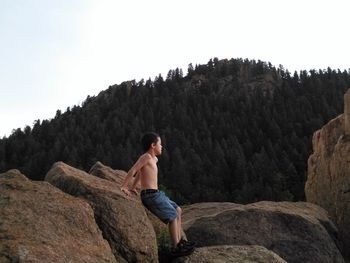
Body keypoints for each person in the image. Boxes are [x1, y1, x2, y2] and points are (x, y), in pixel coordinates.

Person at [120, 132, 195, 257]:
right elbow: (134, 170)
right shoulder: (146, 157)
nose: (162, 146)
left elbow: (140, 173)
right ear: (152, 145)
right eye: (160, 144)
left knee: (178, 210)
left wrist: (133, 187)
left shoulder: (154, 159)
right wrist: (124, 186)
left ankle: (181, 242)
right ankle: (175, 248)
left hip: (156, 193)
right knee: (172, 216)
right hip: (150, 196)